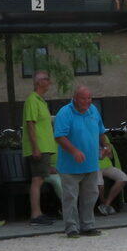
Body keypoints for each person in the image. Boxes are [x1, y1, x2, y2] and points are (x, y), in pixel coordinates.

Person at [53, 86, 107, 238]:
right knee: (70, 197)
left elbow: (101, 131)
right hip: (69, 166)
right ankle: (71, 228)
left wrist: (105, 146)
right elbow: (59, 136)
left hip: (91, 164)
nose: (88, 101)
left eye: (90, 98)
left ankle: (88, 225)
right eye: (84, 98)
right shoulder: (65, 112)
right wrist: (74, 151)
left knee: (90, 196)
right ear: (75, 98)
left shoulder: (93, 110)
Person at [23, 70, 62, 226]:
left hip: (44, 147)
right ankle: (35, 215)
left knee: (39, 179)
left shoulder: (41, 101)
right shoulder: (32, 100)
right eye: (47, 79)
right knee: (37, 180)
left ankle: (38, 213)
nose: (49, 82)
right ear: (38, 82)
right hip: (39, 147)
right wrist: (35, 148)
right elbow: (30, 124)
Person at [96, 131, 127, 215]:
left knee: (123, 178)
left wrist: (106, 150)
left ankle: (106, 204)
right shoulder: (88, 136)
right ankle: (103, 204)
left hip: (107, 166)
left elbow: (110, 155)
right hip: (94, 166)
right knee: (100, 184)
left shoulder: (104, 137)